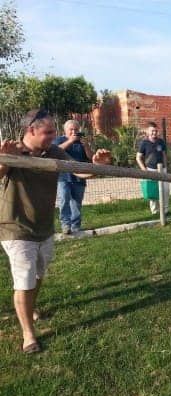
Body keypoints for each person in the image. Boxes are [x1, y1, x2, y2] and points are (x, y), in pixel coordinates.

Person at [0, 109, 111, 354]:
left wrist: (97, 166)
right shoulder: (13, 150)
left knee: (38, 275)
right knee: (25, 281)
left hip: (44, 227)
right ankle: (28, 334)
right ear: (31, 130)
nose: (53, 136)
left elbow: (78, 171)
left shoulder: (54, 152)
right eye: (48, 132)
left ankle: (31, 307)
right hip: (16, 226)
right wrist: (3, 160)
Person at [53, 120, 93, 234]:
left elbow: (91, 157)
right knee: (64, 199)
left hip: (80, 177)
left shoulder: (82, 142)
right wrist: (71, 141)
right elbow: (56, 151)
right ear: (65, 130)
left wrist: (86, 145)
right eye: (71, 129)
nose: (74, 131)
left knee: (76, 203)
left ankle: (76, 226)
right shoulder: (60, 140)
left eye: (76, 129)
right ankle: (65, 225)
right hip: (63, 176)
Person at [136, 122, 169, 215]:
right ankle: (155, 211)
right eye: (152, 131)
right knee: (153, 191)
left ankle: (165, 210)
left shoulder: (161, 142)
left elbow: (164, 155)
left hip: (162, 170)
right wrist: (144, 170)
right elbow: (138, 157)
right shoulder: (144, 143)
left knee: (165, 191)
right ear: (147, 131)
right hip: (151, 170)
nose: (154, 132)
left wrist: (166, 167)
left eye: (155, 130)